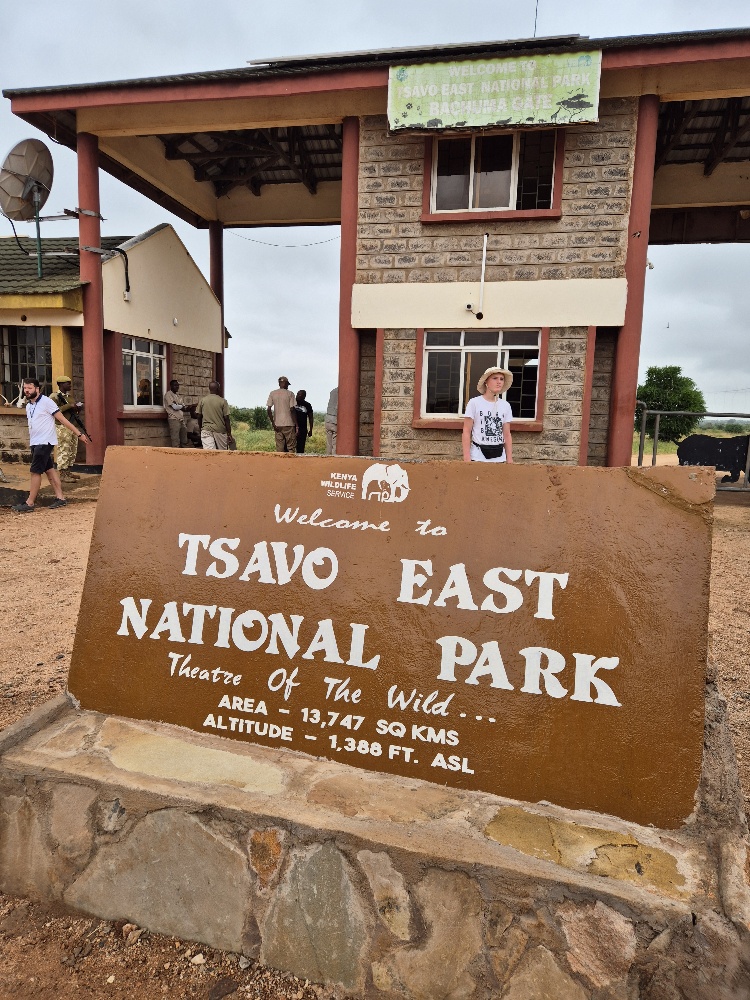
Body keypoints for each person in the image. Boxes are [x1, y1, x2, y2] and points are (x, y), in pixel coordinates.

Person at [12, 378, 90, 513]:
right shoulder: (29, 405)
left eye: (29, 388)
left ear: (37, 389)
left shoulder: (47, 402)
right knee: (49, 470)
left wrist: (79, 434)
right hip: (35, 442)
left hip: (44, 442)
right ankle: (60, 498)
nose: (27, 390)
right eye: (25, 388)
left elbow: (62, 419)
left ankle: (29, 503)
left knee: (35, 471)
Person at [462, 367, 514, 464]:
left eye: (501, 379)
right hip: (478, 457)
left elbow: (507, 434)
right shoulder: (474, 403)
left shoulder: (505, 405)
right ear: (486, 382)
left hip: (500, 458)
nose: (499, 382)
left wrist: (509, 458)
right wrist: (466, 457)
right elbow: (466, 431)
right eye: (495, 378)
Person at [51, 375, 84, 482]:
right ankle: (62, 473)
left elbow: (71, 410)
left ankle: (68, 471)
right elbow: (54, 411)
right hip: (62, 426)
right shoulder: (54, 396)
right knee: (64, 449)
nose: (70, 385)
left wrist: (77, 408)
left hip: (72, 426)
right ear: (60, 384)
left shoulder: (69, 397)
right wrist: (69, 406)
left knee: (72, 449)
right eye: (67, 383)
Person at [197, 381, 234, 450]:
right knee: (222, 453)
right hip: (220, 431)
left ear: (209, 389)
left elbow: (199, 416)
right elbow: (226, 418)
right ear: (218, 389)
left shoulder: (202, 400)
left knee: (210, 453)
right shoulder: (223, 401)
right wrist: (229, 433)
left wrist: (200, 428)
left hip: (206, 430)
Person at [266, 376, 297, 453]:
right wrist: (296, 424)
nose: (287, 386)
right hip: (289, 424)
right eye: (287, 384)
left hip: (277, 424)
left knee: (279, 448)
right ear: (285, 383)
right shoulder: (290, 394)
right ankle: (290, 464)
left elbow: (269, 409)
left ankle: (280, 464)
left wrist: (273, 423)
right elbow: (292, 409)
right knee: (291, 447)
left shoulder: (272, 393)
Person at [164, 379, 192, 448]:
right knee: (175, 440)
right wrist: (182, 406)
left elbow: (183, 407)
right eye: (175, 385)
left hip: (181, 419)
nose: (177, 387)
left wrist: (185, 407)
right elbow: (175, 407)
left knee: (184, 439)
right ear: (171, 386)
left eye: (178, 385)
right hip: (174, 419)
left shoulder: (178, 396)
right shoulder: (168, 394)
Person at [325, 386, 338, 456]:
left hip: (328, 418)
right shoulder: (342, 392)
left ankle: (328, 456)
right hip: (335, 419)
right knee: (335, 442)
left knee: (328, 442)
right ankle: (333, 458)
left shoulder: (333, 391)